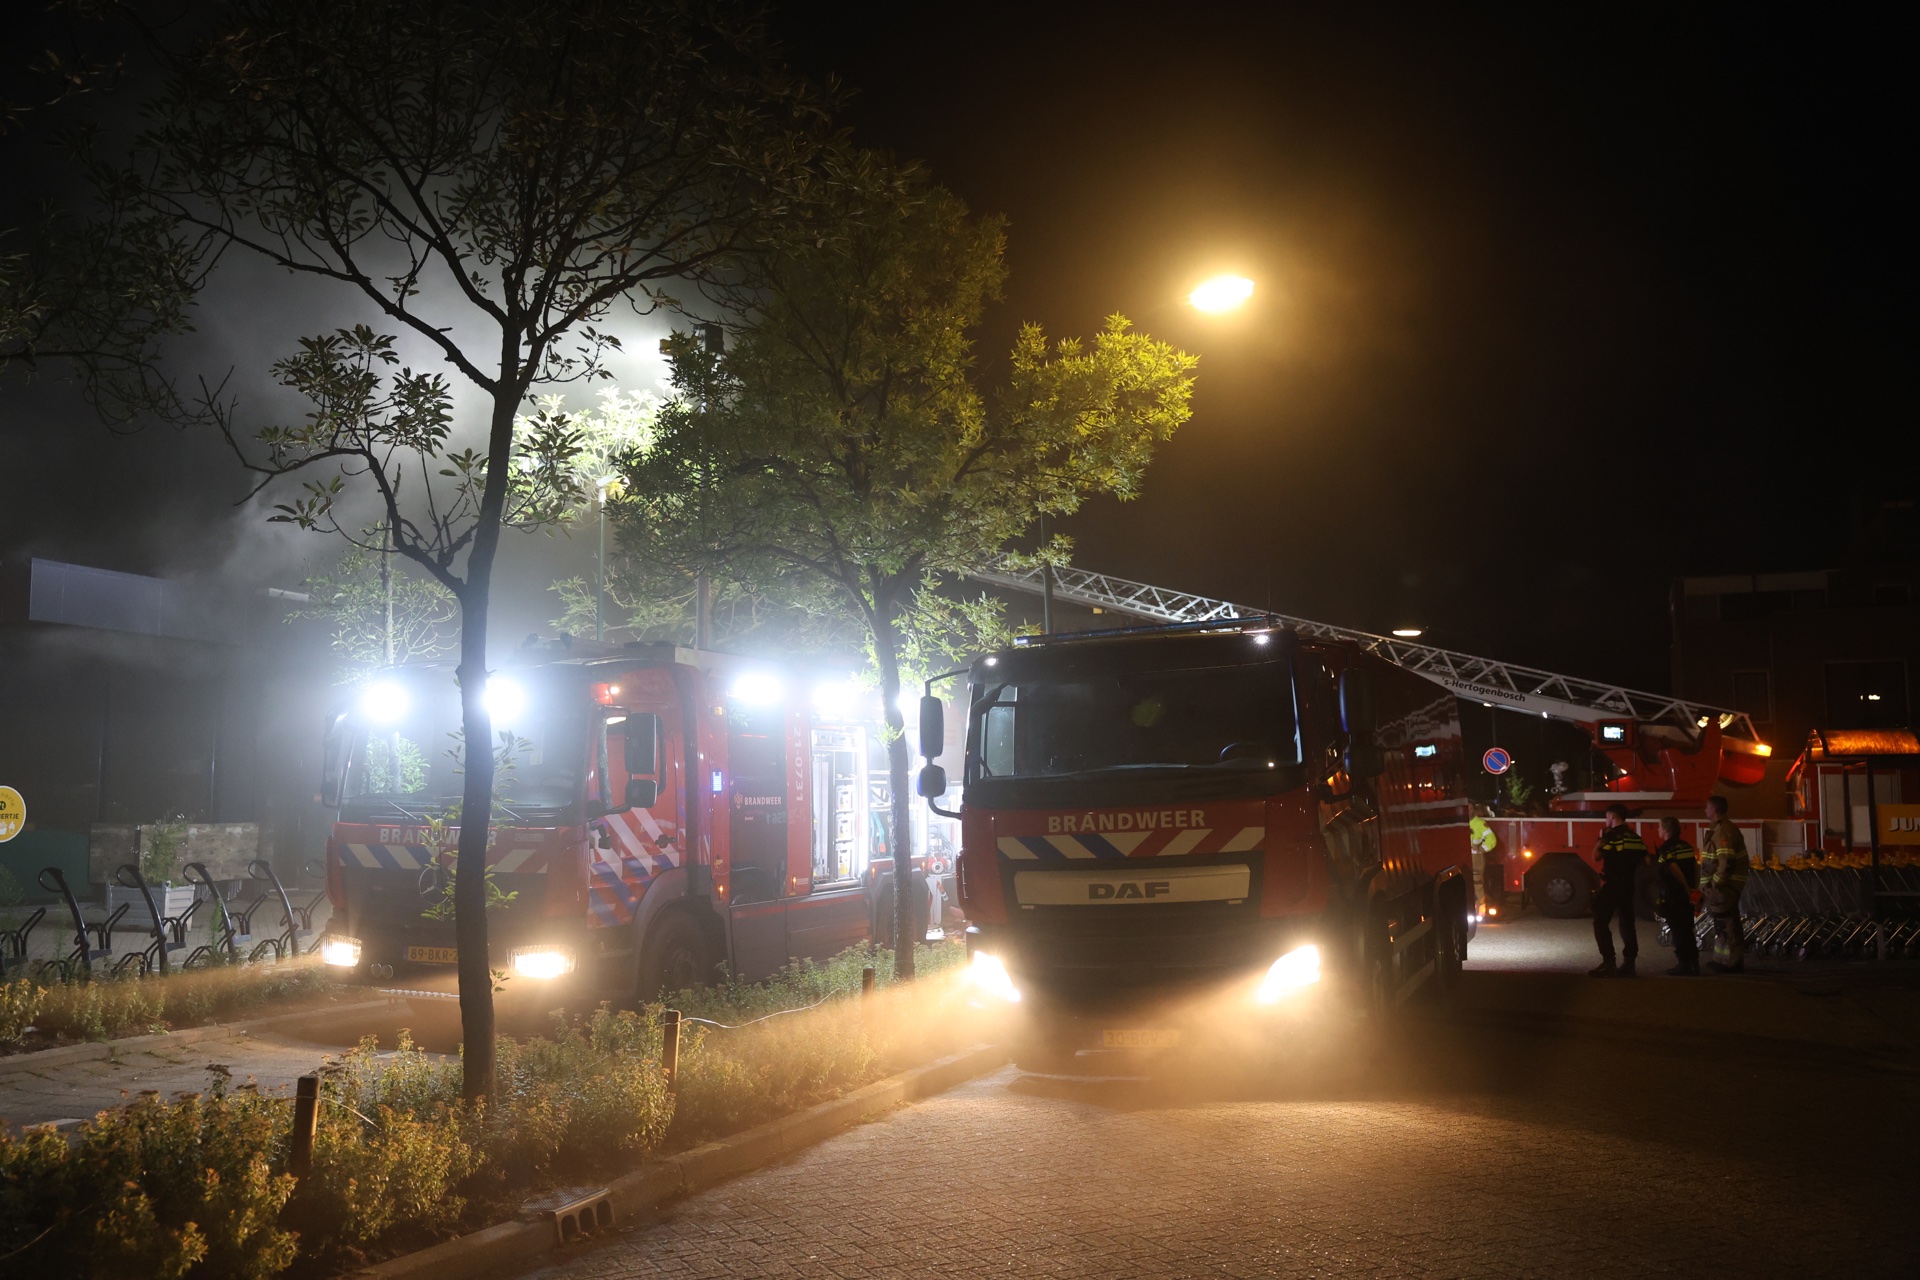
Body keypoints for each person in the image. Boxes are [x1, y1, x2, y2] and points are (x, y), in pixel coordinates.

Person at [1590, 803, 1648, 977]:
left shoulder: (1612, 836)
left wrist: (1601, 838)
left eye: (1607, 816)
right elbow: (1645, 861)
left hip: (1612, 885)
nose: (1606, 820)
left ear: (1613, 816)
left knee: (1600, 922)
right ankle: (1629, 964)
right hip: (1628, 885)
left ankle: (1609, 962)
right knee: (1627, 924)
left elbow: (1596, 856)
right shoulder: (1635, 837)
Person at [1702, 795, 1750, 973]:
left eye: (1707, 807)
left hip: (1725, 887)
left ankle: (1732, 963)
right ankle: (1721, 960)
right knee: (1722, 925)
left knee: (1728, 925)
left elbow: (1727, 862)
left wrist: (1715, 884)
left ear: (1715, 810)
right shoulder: (1718, 830)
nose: (1705, 811)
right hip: (1723, 886)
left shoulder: (1724, 831)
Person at [1653, 815, 1701, 976]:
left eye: (1659, 827)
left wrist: (1687, 888)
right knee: (1687, 928)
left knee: (1678, 930)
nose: (1658, 830)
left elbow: (1673, 868)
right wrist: (1694, 888)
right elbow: (1694, 866)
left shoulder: (1666, 849)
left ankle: (1684, 963)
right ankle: (1694, 962)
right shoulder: (1686, 846)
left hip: (1674, 894)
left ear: (1666, 830)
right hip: (1686, 895)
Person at [1469, 810, 1500, 912]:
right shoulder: (1460, 823)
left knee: (1476, 883)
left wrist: (1481, 849)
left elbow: (1491, 840)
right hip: (1463, 859)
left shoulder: (1479, 823)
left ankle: (1480, 911)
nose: (1468, 811)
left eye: (1470, 808)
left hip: (1476, 858)